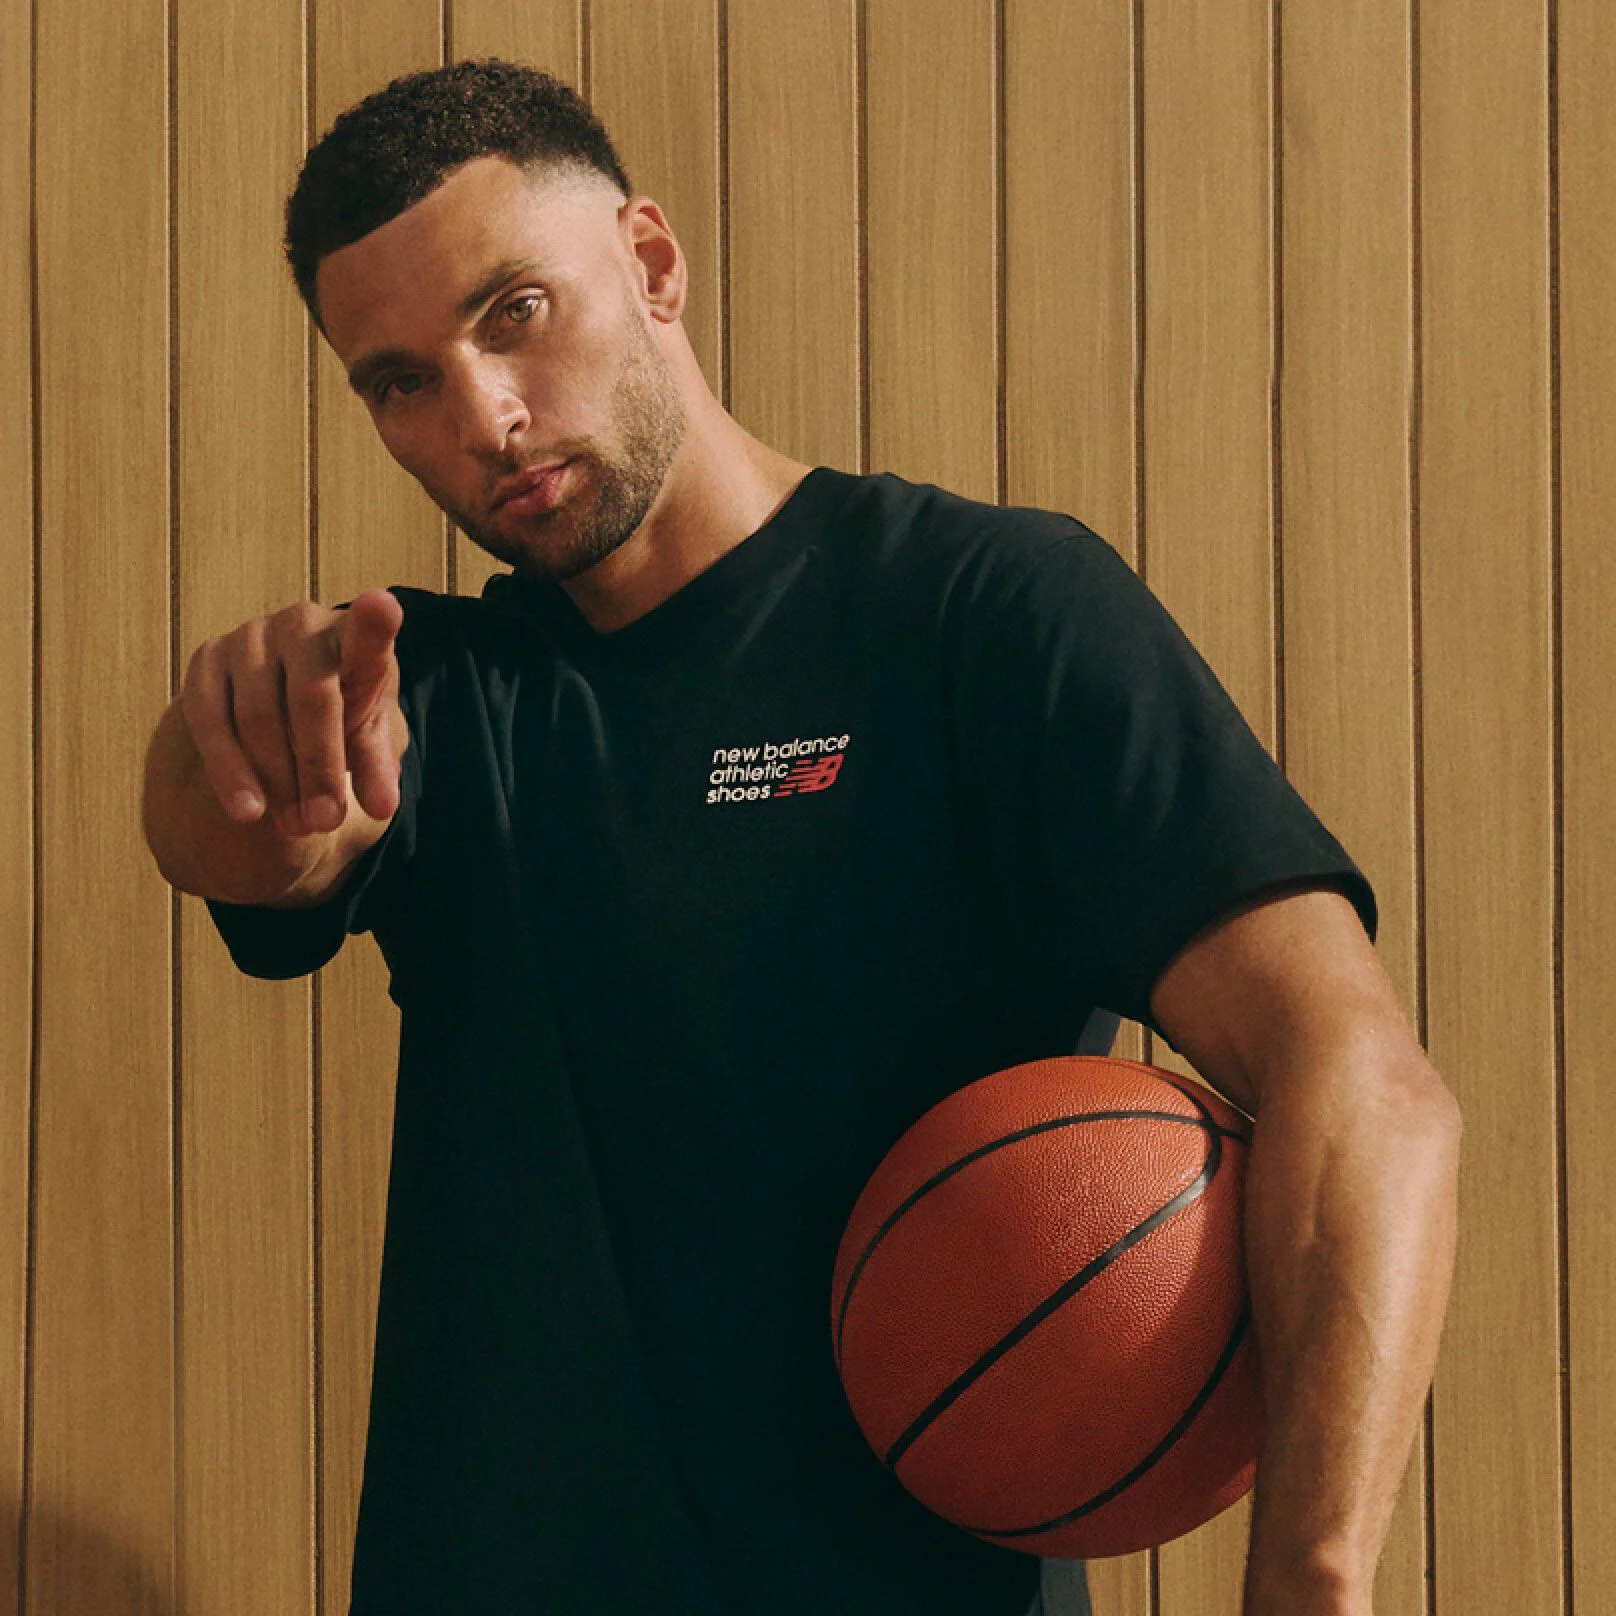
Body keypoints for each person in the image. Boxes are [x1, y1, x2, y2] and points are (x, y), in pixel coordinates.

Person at [140, 58, 1461, 1616]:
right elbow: (231, 839)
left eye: (514, 313)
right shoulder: (439, 694)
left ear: (648, 264)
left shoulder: (984, 617)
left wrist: (1314, 1575)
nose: (482, 416)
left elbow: (1360, 1079)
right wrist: (237, 788)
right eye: (400, 380)